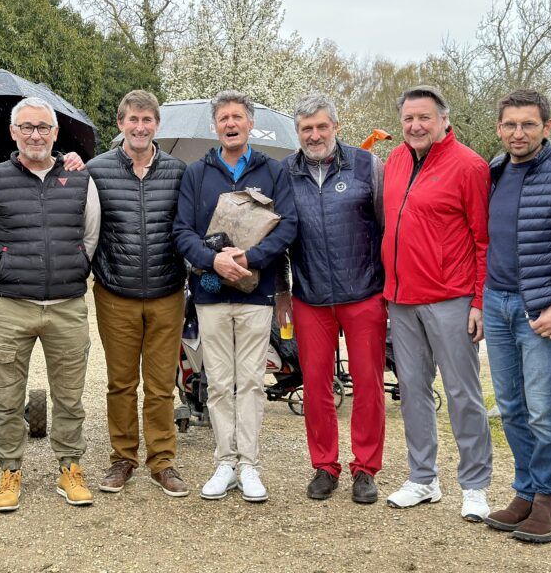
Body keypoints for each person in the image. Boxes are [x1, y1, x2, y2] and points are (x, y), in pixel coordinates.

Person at [0, 96, 101, 512]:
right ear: (13, 132)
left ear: (55, 132)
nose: (35, 135)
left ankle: (70, 466)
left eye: (43, 127)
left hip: (66, 304)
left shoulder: (80, 179)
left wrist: (74, 266)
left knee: (70, 396)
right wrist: (9, 268)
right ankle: (9, 469)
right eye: (27, 127)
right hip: (12, 305)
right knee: (7, 397)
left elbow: (90, 236)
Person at [173, 90, 297, 503]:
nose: (231, 123)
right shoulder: (197, 173)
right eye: (224, 117)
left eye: (238, 117)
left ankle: (249, 465)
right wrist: (213, 260)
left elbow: (287, 226)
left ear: (250, 124)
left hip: (255, 295)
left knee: (252, 383)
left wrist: (249, 258)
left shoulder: (273, 171)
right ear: (215, 126)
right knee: (220, 383)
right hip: (210, 295)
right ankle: (225, 462)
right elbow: (181, 231)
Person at [481, 89, 551, 542]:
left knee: (543, 409)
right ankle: (525, 492)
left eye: (528, 124)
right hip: (496, 303)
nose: (518, 133)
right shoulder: (494, 170)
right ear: (499, 128)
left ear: (547, 127)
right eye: (510, 124)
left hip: (541, 309)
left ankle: (550, 501)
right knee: (510, 407)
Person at [380, 85, 494, 521]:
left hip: (451, 297)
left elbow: (483, 239)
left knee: (463, 393)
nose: (415, 126)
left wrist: (479, 300)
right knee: (412, 390)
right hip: (401, 298)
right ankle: (423, 477)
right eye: (408, 118)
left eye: (424, 117)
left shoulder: (469, 166)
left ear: (444, 119)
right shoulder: (394, 159)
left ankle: (475, 484)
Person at [273, 93, 388, 504]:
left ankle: (365, 468)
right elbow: (276, 239)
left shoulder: (367, 165)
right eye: (307, 128)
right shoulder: (284, 173)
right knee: (316, 385)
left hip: (364, 293)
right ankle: (324, 465)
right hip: (310, 296)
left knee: (369, 384)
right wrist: (282, 291)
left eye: (322, 126)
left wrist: (388, 288)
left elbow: (386, 228)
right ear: (298, 132)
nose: (315, 135)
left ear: (336, 127)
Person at [87, 90, 191, 497]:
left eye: (147, 120)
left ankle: (162, 461)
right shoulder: (97, 171)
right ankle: (122, 458)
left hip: (167, 291)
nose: (140, 127)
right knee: (121, 383)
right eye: (133, 119)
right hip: (116, 292)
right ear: (120, 123)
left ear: (157, 125)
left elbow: (188, 226)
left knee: (161, 385)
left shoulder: (178, 172)